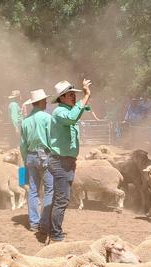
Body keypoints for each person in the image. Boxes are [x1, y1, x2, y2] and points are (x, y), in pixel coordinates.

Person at [45, 79, 92, 242]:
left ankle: (47, 227)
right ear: (62, 97)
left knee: (57, 197)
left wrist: (84, 103)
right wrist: (85, 97)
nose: (73, 97)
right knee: (61, 198)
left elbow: (74, 115)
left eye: (74, 94)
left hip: (61, 160)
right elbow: (72, 118)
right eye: (70, 95)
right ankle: (55, 235)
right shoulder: (60, 113)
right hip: (59, 161)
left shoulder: (64, 111)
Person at [20, 89, 55, 233]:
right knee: (49, 190)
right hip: (45, 155)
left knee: (33, 190)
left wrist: (25, 161)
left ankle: (33, 223)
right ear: (39, 102)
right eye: (45, 100)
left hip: (30, 156)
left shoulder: (25, 121)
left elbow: (22, 144)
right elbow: (52, 139)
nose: (46, 102)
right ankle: (44, 222)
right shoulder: (47, 118)